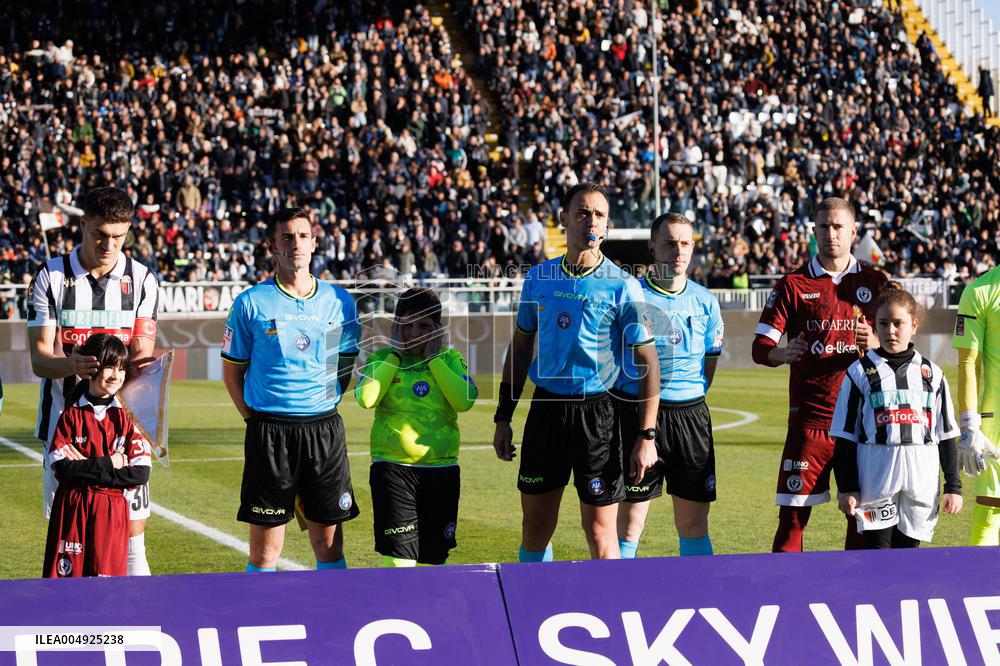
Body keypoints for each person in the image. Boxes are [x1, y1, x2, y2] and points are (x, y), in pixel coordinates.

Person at [492, 181, 660, 561]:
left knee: (601, 535)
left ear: (608, 226)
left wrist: (647, 435)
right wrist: (503, 416)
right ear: (564, 220)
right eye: (582, 212)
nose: (591, 221)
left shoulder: (623, 286)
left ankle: (610, 611)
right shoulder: (538, 279)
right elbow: (520, 349)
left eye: (599, 215)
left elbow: (648, 363)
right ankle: (533, 610)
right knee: (534, 528)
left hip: (599, 415)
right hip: (546, 411)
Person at [27, 186, 160, 575]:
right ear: (82, 224)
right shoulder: (50, 277)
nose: (108, 244)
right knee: (69, 535)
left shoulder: (142, 280)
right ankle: (72, 627)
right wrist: (73, 365)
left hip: (122, 429)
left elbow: (140, 356)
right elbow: (39, 360)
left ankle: (139, 624)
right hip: (65, 429)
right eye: (99, 234)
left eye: (118, 236)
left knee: (133, 535)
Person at [222, 207, 361, 572]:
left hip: (323, 430)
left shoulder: (339, 302)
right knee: (266, 551)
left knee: (328, 545)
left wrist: (321, 401)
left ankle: (333, 621)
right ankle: (257, 617)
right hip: (270, 432)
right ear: (273, 246)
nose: (295, 243)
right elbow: (232, 373)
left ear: (314, 243)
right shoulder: (250, 302)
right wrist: (254, 419)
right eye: (286, 236)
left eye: (302, 235)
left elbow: (343, 367)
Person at [751, 197, 887, 552]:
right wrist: (783, 353)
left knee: (863, 519)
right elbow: (760, 347)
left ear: (853, 232)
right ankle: (783, 596)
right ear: (814, 231)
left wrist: (876, 341)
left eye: (839, 226)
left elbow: (900, 344)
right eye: (824, 226)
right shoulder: (792, 284)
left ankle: (857, 596)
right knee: (793, 520)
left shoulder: (875, 281)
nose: (831, 234)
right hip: (810, 422)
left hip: (863, 425)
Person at [614, 213, 724, 558]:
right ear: (652, 246)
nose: (679, 250)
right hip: (640, 416)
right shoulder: (633, 297)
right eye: (669, 242)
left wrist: (688, 396)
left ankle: (700, 596)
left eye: (685, 243)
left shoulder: (706, 301)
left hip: (691, 418)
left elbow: (710, 361)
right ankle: (616, 598)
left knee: (694, 526)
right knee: (631, 524)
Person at [832, 283, 962, 548]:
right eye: (883, 323)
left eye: (898, 323)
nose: (890, 331)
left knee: (908, 555)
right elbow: (844, 437)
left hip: (921, 475)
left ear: (914, 325)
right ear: (874, 325)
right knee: (877, 553)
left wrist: (953, 486)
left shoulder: (932, 374)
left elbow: (946, 435)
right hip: (876, 473)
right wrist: (846, 487)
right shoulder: (859, 372)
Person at [355, 288, 478, 566]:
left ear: (437, 329)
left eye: (424, 325)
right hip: (393, 471)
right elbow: (366, 398)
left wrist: (434, 359)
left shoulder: (449, 359)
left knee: (433, 562)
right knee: (399, 563)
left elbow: (464, 401)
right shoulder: (382, 359)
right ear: (396, 328)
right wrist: (396, 356)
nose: (414, 333)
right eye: (406, 326)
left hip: (441, 471)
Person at [42, 334, 152, 577]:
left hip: (111, 513)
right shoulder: (70, 414)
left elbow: (140, 473)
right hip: (72, 511)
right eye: (110, 366)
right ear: (93, 367)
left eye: (122, 368)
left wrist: (84, 467)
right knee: (65, 589)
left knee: (107, 594)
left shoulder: (128, 417)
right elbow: (62, 470)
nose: (116, 375)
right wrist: (109, 462)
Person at [951, 266, 1000, 545]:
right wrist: (969, 426)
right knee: (990, 515)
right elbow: (969, 363)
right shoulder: (981, 290)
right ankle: (983, 587)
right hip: (997, 426)